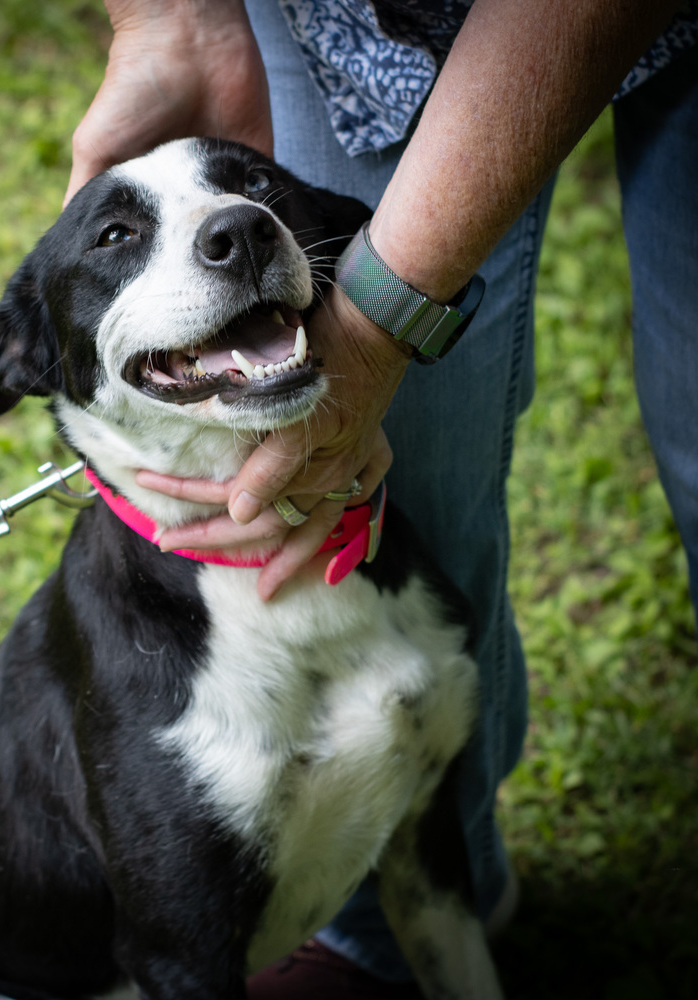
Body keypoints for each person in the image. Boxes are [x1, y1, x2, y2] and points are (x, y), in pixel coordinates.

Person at [64, 1, 698, 994]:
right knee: (420, 472)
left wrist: (390, 307)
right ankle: (377, 937)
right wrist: (169, 20)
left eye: (242, 198)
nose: (226, 227)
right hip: (343, 23)